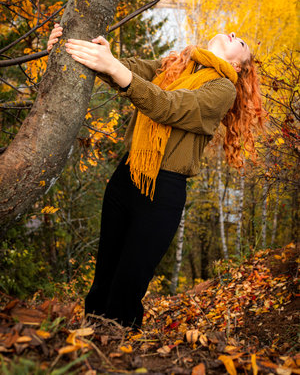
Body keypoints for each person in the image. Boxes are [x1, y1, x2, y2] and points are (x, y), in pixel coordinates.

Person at [47, 24, 265, 330]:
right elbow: (127, 69)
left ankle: (118, 349)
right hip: (128, 175)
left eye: (240, 41)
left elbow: (168, 106)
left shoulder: (222, 90)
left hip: (162, 193)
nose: (231, 34)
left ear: (238, 66)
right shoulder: (178, 64)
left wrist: (114, 67)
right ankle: (87, 345)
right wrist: (70, 45)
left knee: (129, 282)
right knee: (104, 276)